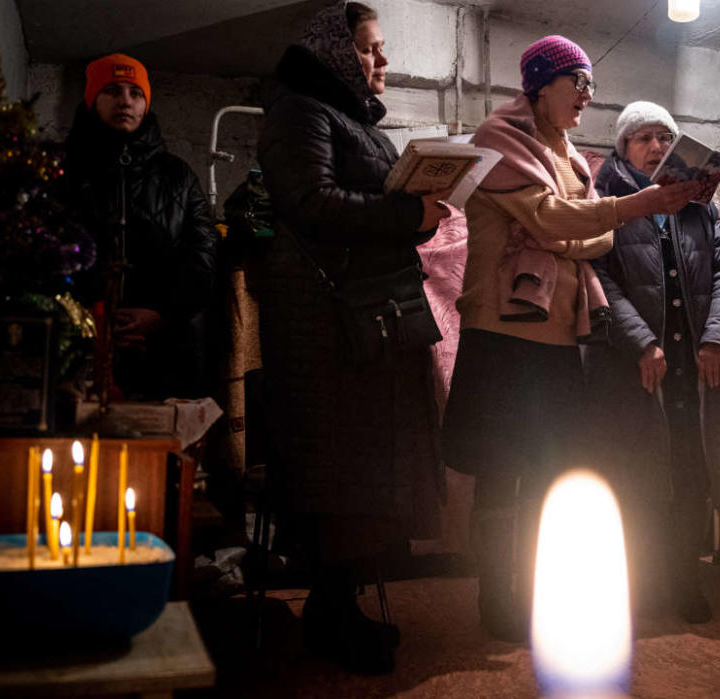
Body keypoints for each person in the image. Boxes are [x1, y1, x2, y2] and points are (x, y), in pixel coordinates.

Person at [441, 36, 701, 642]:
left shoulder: (569, 157)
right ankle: (495, 598)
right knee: (502, 470)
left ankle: (533, 589)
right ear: (539, 84)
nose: (587, 95)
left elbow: (587, 236)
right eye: (577, 83)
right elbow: (560, 221)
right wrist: (617, 211)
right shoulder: (497, 142)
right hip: (504, 333)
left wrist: (571, 224)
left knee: (544, 469)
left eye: (590, 85)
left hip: (559, 338)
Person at [255, 1, 451, 673]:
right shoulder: (301, 109)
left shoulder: (347, 119)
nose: (382, 61)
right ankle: (331, 617)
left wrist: (420, 214)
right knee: (338, 474)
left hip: (361, 318)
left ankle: (342, 609)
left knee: (362, 476)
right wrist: (407, 211)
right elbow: (310, 201)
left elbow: (362, 206)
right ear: (336, 55)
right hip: (327, 326)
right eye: (370, 49)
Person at [586, 101, 720, 622]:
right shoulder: (608, 204)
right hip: (635, 365)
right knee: (639, 475)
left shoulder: (700, 211)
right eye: (643, 138)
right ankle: (639, 584)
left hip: (692, 366)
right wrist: (640, 342)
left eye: (663, 137)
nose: (655, 146)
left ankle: (683, 579)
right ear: (623, 148)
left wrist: (717, 340)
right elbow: (599, 278)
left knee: (691, 471)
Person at [64, 53, 217, 400]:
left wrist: (161, 314)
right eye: (112, 91)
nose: (125, 101)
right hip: (77, 346)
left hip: (166, 349)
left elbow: (203, 256)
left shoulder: (178, 177)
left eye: (135, 93)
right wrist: (91, 318)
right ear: (92, 99)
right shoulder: (65, 172)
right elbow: (44, 253)